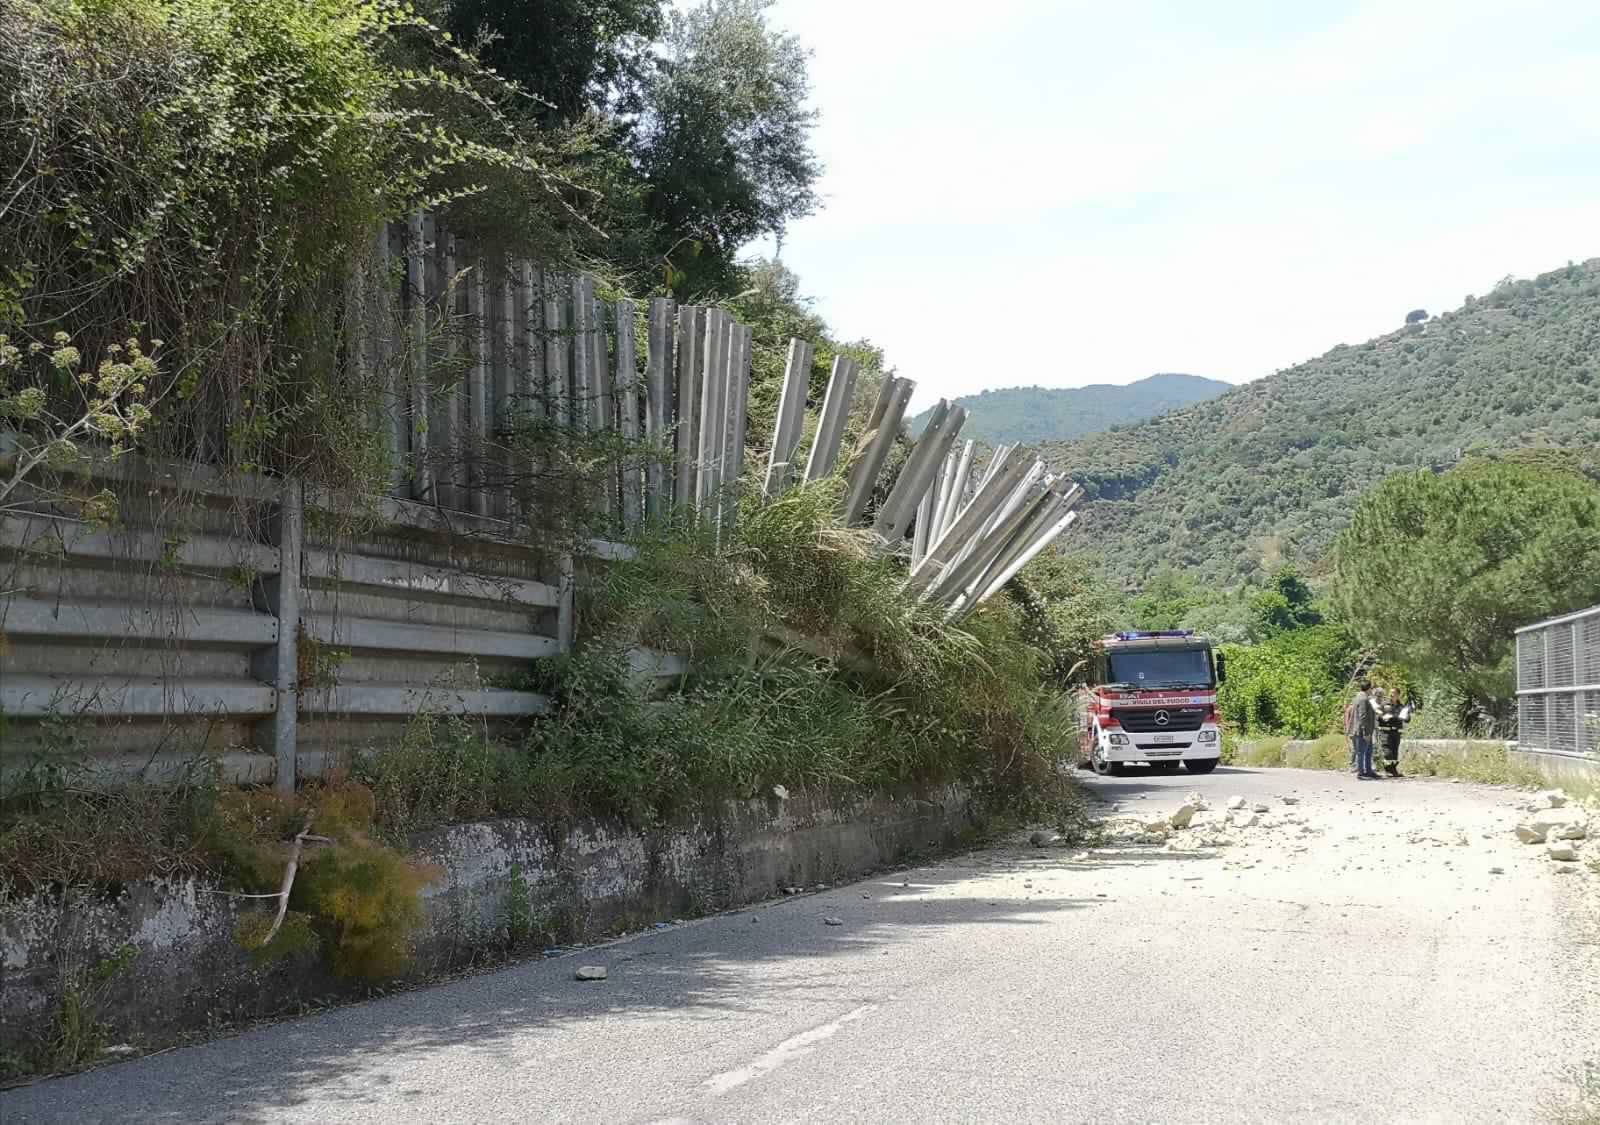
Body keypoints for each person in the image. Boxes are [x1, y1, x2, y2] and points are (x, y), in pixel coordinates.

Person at [1346, 679, 1380, 779]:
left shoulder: (1358, 697)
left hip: (1364, 730)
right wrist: (1365, 733)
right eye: (1371, 688)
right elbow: (1363, 716)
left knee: (1368, 751)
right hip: (1362, 731)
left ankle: (1368, 771)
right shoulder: (1363, 699)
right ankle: (1361, 773)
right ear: (1369, 688)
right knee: (1362, 752)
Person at [1375, 688, 1407, 777]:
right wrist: (1382, 717)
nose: (1391, 695)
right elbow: (1378, 715)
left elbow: (1407, 718)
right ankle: (1388, 770)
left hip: (1396, 732)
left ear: (1398, 695)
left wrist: (1395, 717)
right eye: (1390, 693)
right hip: (1386, 731)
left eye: (1394, 693)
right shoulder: (1384, 705)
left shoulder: (1401, 706)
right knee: (1387, 751)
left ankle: (1393, 770)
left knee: (1395, 752)